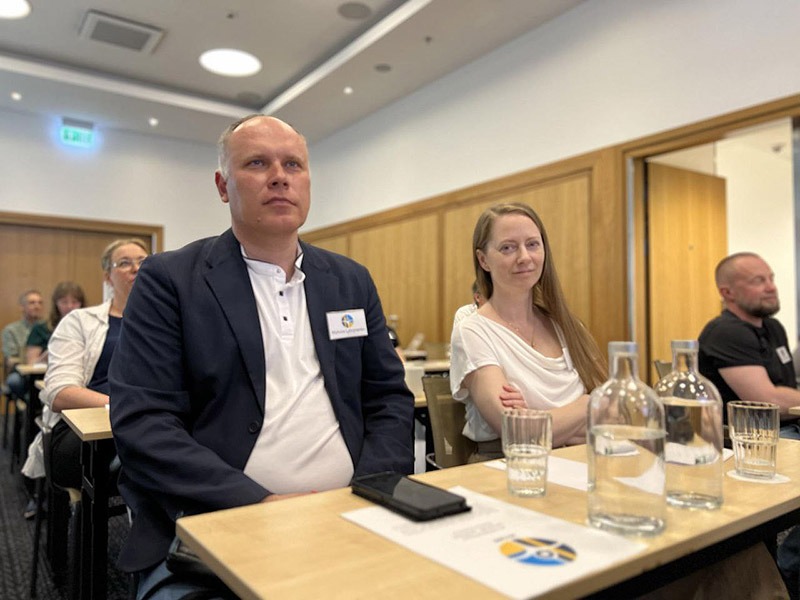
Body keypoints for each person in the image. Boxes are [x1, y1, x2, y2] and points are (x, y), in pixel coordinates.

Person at [108, 115, 415, 599]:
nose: (279, 177)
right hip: (221, 520)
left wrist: (370, 490)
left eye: (293, 164)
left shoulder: (350, 280)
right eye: (256, 163)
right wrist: (261, 504)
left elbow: (389, 399)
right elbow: (143, 422)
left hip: (353, 514)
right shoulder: (171, 280)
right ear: (222, 186)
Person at [450, 202, 606, 461]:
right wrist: (587, 404)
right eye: (508, 248)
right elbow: (517, 432)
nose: (524, 257)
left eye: (532, 244)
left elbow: (614, 413)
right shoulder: (473, 331)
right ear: (483, 260)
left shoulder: (567, 326)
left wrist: (539, 421)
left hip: (582, 463)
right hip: (509, 467)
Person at [26, 239, 148, 490]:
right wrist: (123, 407)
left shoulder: (167, 321)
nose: (136, 268)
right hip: (87, 429)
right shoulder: (79, 321)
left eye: (143, 262)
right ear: (108, 277)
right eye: (125, 263)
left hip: (148, 422)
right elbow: (60, 392)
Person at [698, 252, 800, 437]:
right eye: (758, 281)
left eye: (771, 279)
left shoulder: (773, 327)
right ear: (727, 293)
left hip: (790, 426)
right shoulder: (726, 332)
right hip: (756, 438)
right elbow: (768, 401)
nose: (771, 287)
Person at [25, 281, 85, 365]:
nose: (70, 306)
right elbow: (31, 363)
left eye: (74, 302)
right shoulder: (40, 328)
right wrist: (46, 357)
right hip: (48, 371)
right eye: (64, 302)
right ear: (56, 304)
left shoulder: (90, 328)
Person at [2, 289, 44, 398]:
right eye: (32, 303)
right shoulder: (11, 330)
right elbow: (11, 359)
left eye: (40, 303)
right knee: (14, 381)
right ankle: (28, 406)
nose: (37, 306)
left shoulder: (47, 328)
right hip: (21, 374)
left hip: (45, 372)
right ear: (22, 307)